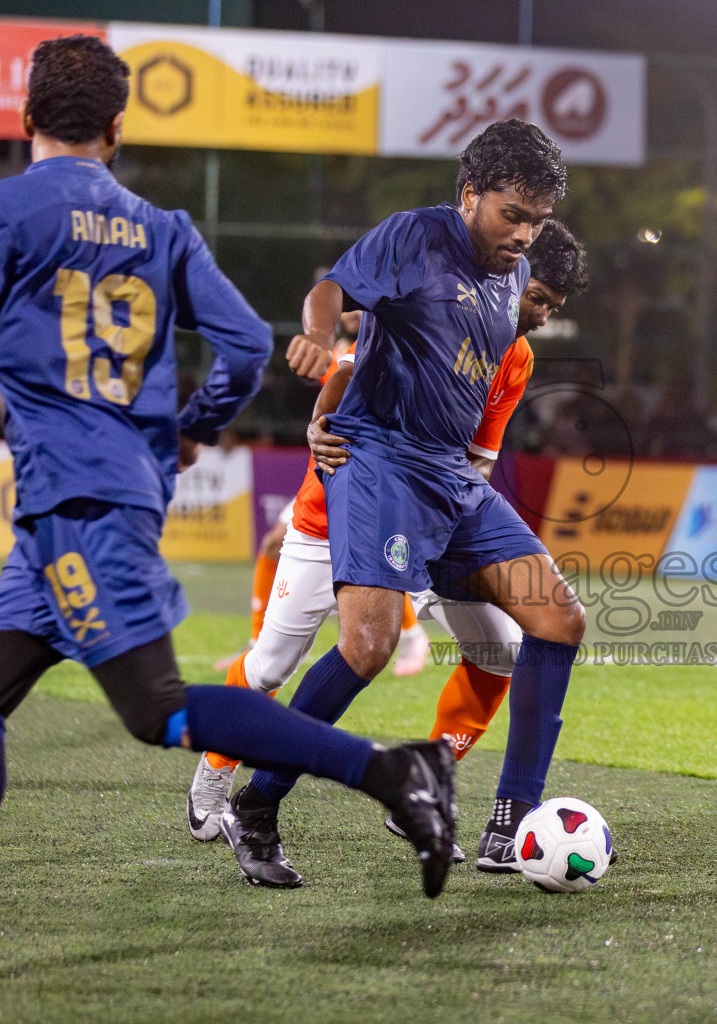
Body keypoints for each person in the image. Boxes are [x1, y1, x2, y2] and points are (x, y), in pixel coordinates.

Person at [0, 36, 456, 982]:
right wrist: (190, 430)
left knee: (156, 709)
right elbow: (243, 343)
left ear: (24, 119)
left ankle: (391, 771)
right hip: (98, 498)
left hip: (77, 499)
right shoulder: (165, 229)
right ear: (116, 130)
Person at [222, 119, 587, 884]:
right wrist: (320, 340)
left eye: (536, 220)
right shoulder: (416, 237)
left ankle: (511, 822)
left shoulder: (515, 278)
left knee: (558, 617)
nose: (522, 235)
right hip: (378, 461)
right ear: (469, 197)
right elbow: (332, 293)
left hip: (448, 476)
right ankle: (258, 801)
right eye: (510, 215)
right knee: (368, 647)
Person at [213, 310, 430, 678]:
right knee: (275, 547)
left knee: (372, 567)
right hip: (323, 471)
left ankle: (412, 635)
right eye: (343, 306)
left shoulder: (392, 349)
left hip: (361, 477)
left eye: (356, 305)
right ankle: (259, 643)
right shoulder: (341, 352)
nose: (348, 314)